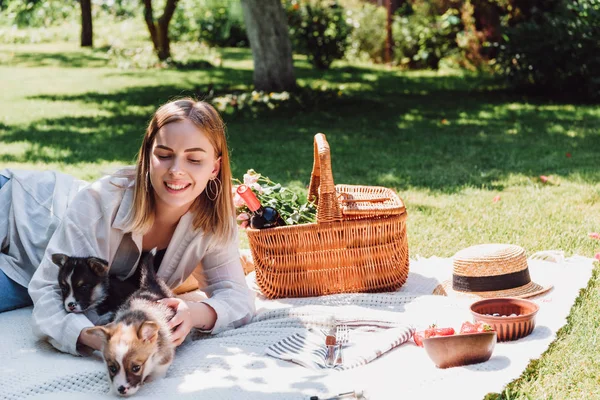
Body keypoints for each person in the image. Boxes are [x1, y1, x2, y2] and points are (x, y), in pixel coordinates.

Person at [1, 98, 255, 355]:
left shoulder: (213, 220)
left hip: (25, 270)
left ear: (215, 167)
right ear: (146, 155)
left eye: (194, 160)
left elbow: (237, 297)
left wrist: (194, 313)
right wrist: (105, 340)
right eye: (164, 155)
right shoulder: (100, 201)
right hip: (16, 209)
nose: (176, 170)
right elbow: (47, 289)